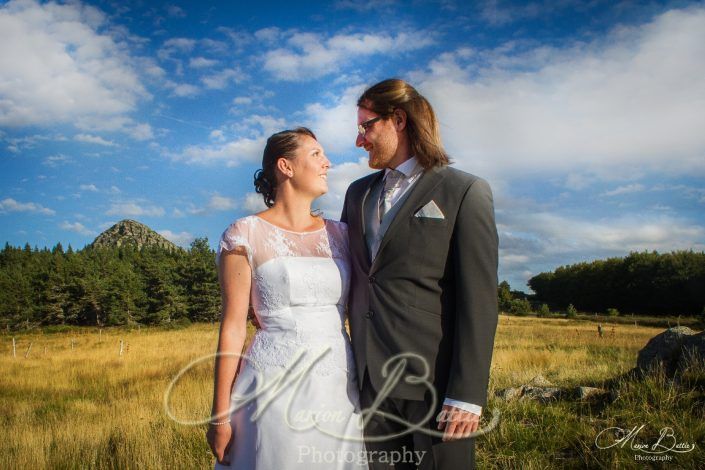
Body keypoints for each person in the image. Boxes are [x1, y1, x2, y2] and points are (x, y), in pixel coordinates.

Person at [340, 79, 499, 469]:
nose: (360, 140)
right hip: (369, 383)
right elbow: (345, 269)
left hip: (435, 384)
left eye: (366, 126)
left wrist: (466, 394)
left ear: (398, 120)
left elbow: (479, 301)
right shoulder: (356, 194)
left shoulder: (465, 191)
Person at [207, 128, 367, 469]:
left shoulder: (342, 234)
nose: (328, 163)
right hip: (271, 387)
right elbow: (233, 326)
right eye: (316, 154)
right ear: (286, 166)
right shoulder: (244, 234)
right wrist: (219, 415)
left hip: (339, 387)